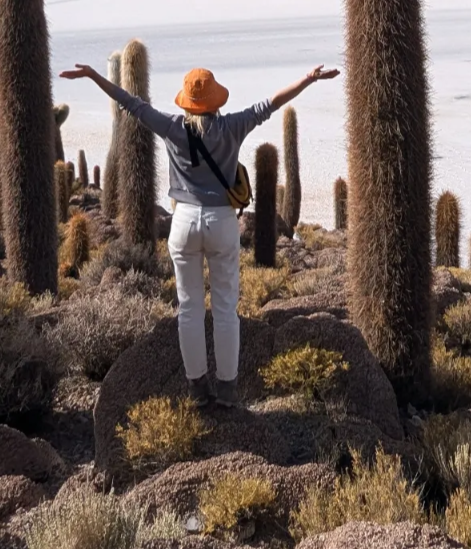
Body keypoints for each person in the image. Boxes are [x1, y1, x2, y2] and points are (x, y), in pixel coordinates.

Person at [59, 59, 339, 406]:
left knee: (189, 309)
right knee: (225, 309)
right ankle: (227, 390)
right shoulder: (233, 126)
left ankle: (197, 389)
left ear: (186, 102)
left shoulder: (173, 128)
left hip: (184, 222)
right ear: (216, 101)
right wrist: (309, 79)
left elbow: (130, 103)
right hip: (222, 222)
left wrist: (92, 75)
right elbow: (272, 103)